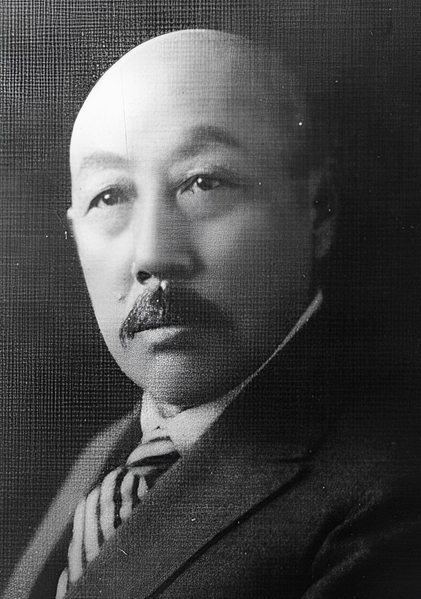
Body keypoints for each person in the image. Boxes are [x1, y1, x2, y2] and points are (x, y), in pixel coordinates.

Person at [4, 29, 421, 599]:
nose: (152, 254)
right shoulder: (104, 454)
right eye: (110, 196)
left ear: (318, 211)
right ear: (75, 231)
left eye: (203, 182)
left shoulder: (388, 495)